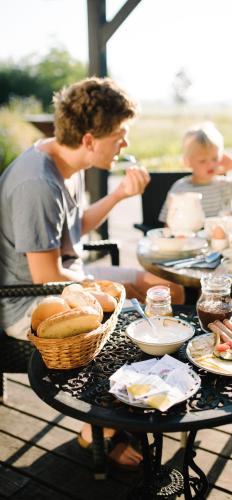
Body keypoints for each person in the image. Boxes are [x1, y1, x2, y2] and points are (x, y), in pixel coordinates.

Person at [0, 77, 181, 469]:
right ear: (88, 139)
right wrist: (116, 292)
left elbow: (73, 227)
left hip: (68, 277)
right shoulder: (36, 182)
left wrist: (118, 195)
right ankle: (96, 430)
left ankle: (146, 395)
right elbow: (45, 275)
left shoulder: (68, 161)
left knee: (165, 289)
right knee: (137, 312)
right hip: (30, 303)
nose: (125, 145)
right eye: (120, 135)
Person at [159, 121, 232, 223]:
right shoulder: (179, 189)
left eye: (214, 158)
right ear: (187, 161)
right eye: (202, 161)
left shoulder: (223, 185)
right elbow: (168, 224)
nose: (210, 165)